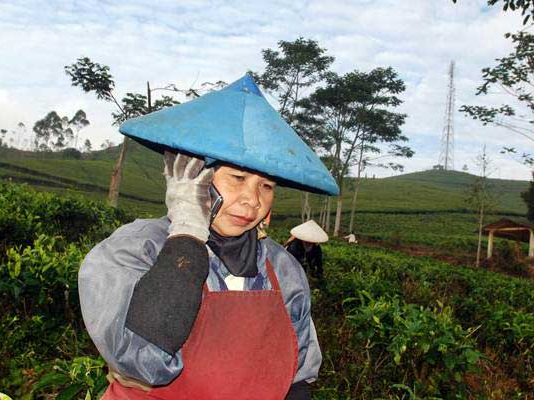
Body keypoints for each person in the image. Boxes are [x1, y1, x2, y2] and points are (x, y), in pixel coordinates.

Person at [78, 74, 339, 400]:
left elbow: (297, 380)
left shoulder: (283, 269)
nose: (252, 199)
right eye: (238, 178)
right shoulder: (136, 248)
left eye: (266, 186)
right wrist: (187, 231)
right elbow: (145, 363)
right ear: (194, 178)